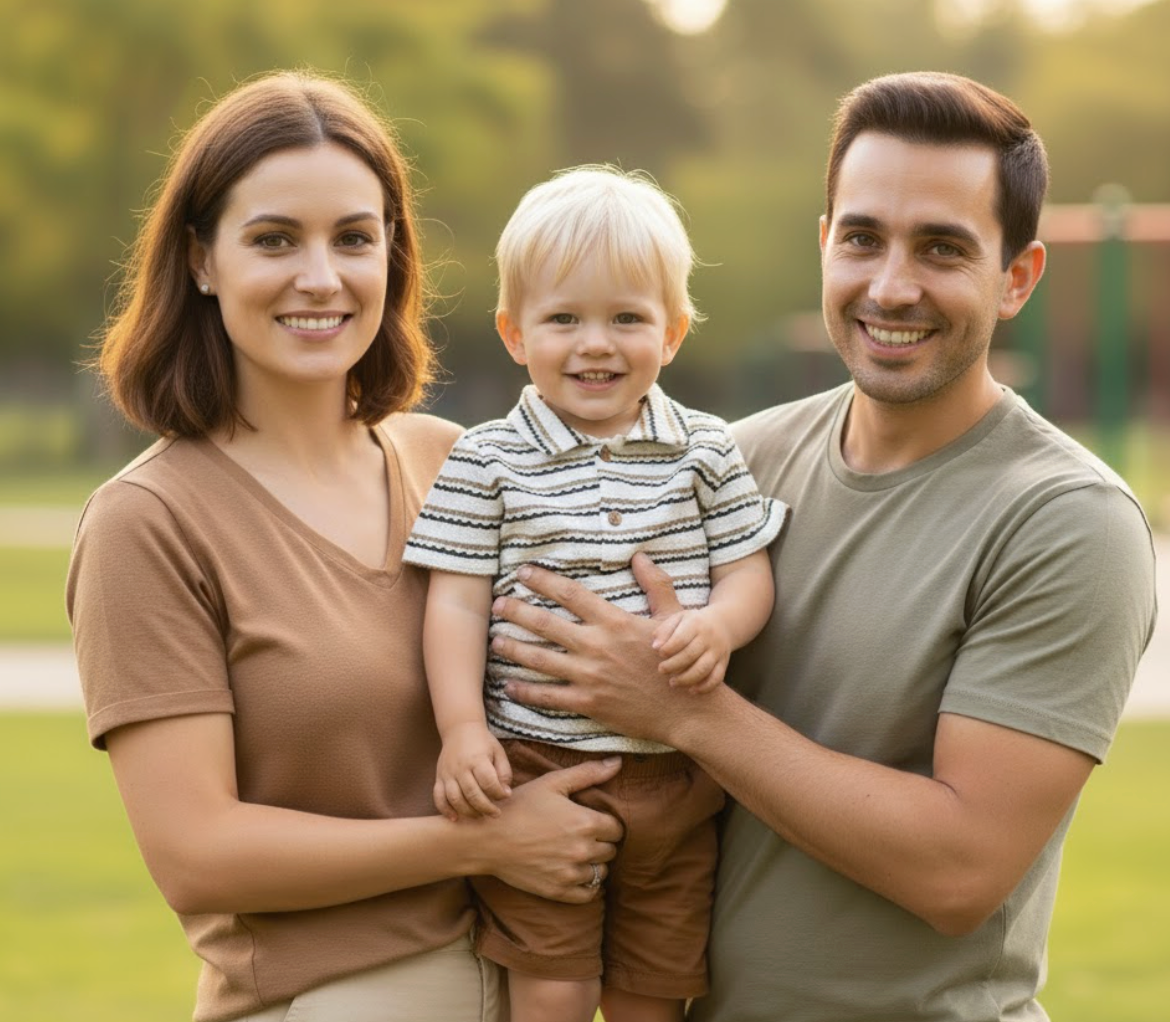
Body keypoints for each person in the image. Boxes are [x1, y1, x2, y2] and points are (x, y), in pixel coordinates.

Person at [484, 72, 1159, 1021]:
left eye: (942, 248)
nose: (891, 285)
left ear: (1016, 278)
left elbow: (960, 871)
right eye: (863, 238)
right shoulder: (732, 462)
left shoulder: (1065, 521)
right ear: (824, 245)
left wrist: (683, 710)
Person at [65, 71, 625, 1022]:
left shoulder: (458, 464)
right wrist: (479, 844)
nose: (320, 277)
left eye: (354, 239)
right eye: (275, 239)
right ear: (203, 261)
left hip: (534, 976)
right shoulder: (149, 522)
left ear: (392, 257)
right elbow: (196, 853)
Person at [402, 166, 786, 1022]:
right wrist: (463, 727)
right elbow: (456, 602)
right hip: (537, 766)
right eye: (563, 319)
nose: (596, 345)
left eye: (627, 318)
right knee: (553, 990)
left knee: (656, 988)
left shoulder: (705, 450)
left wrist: (719, 626)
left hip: (678, 775)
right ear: (513, 332)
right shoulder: (486, 459)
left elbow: (745, 568)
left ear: (674, 332)